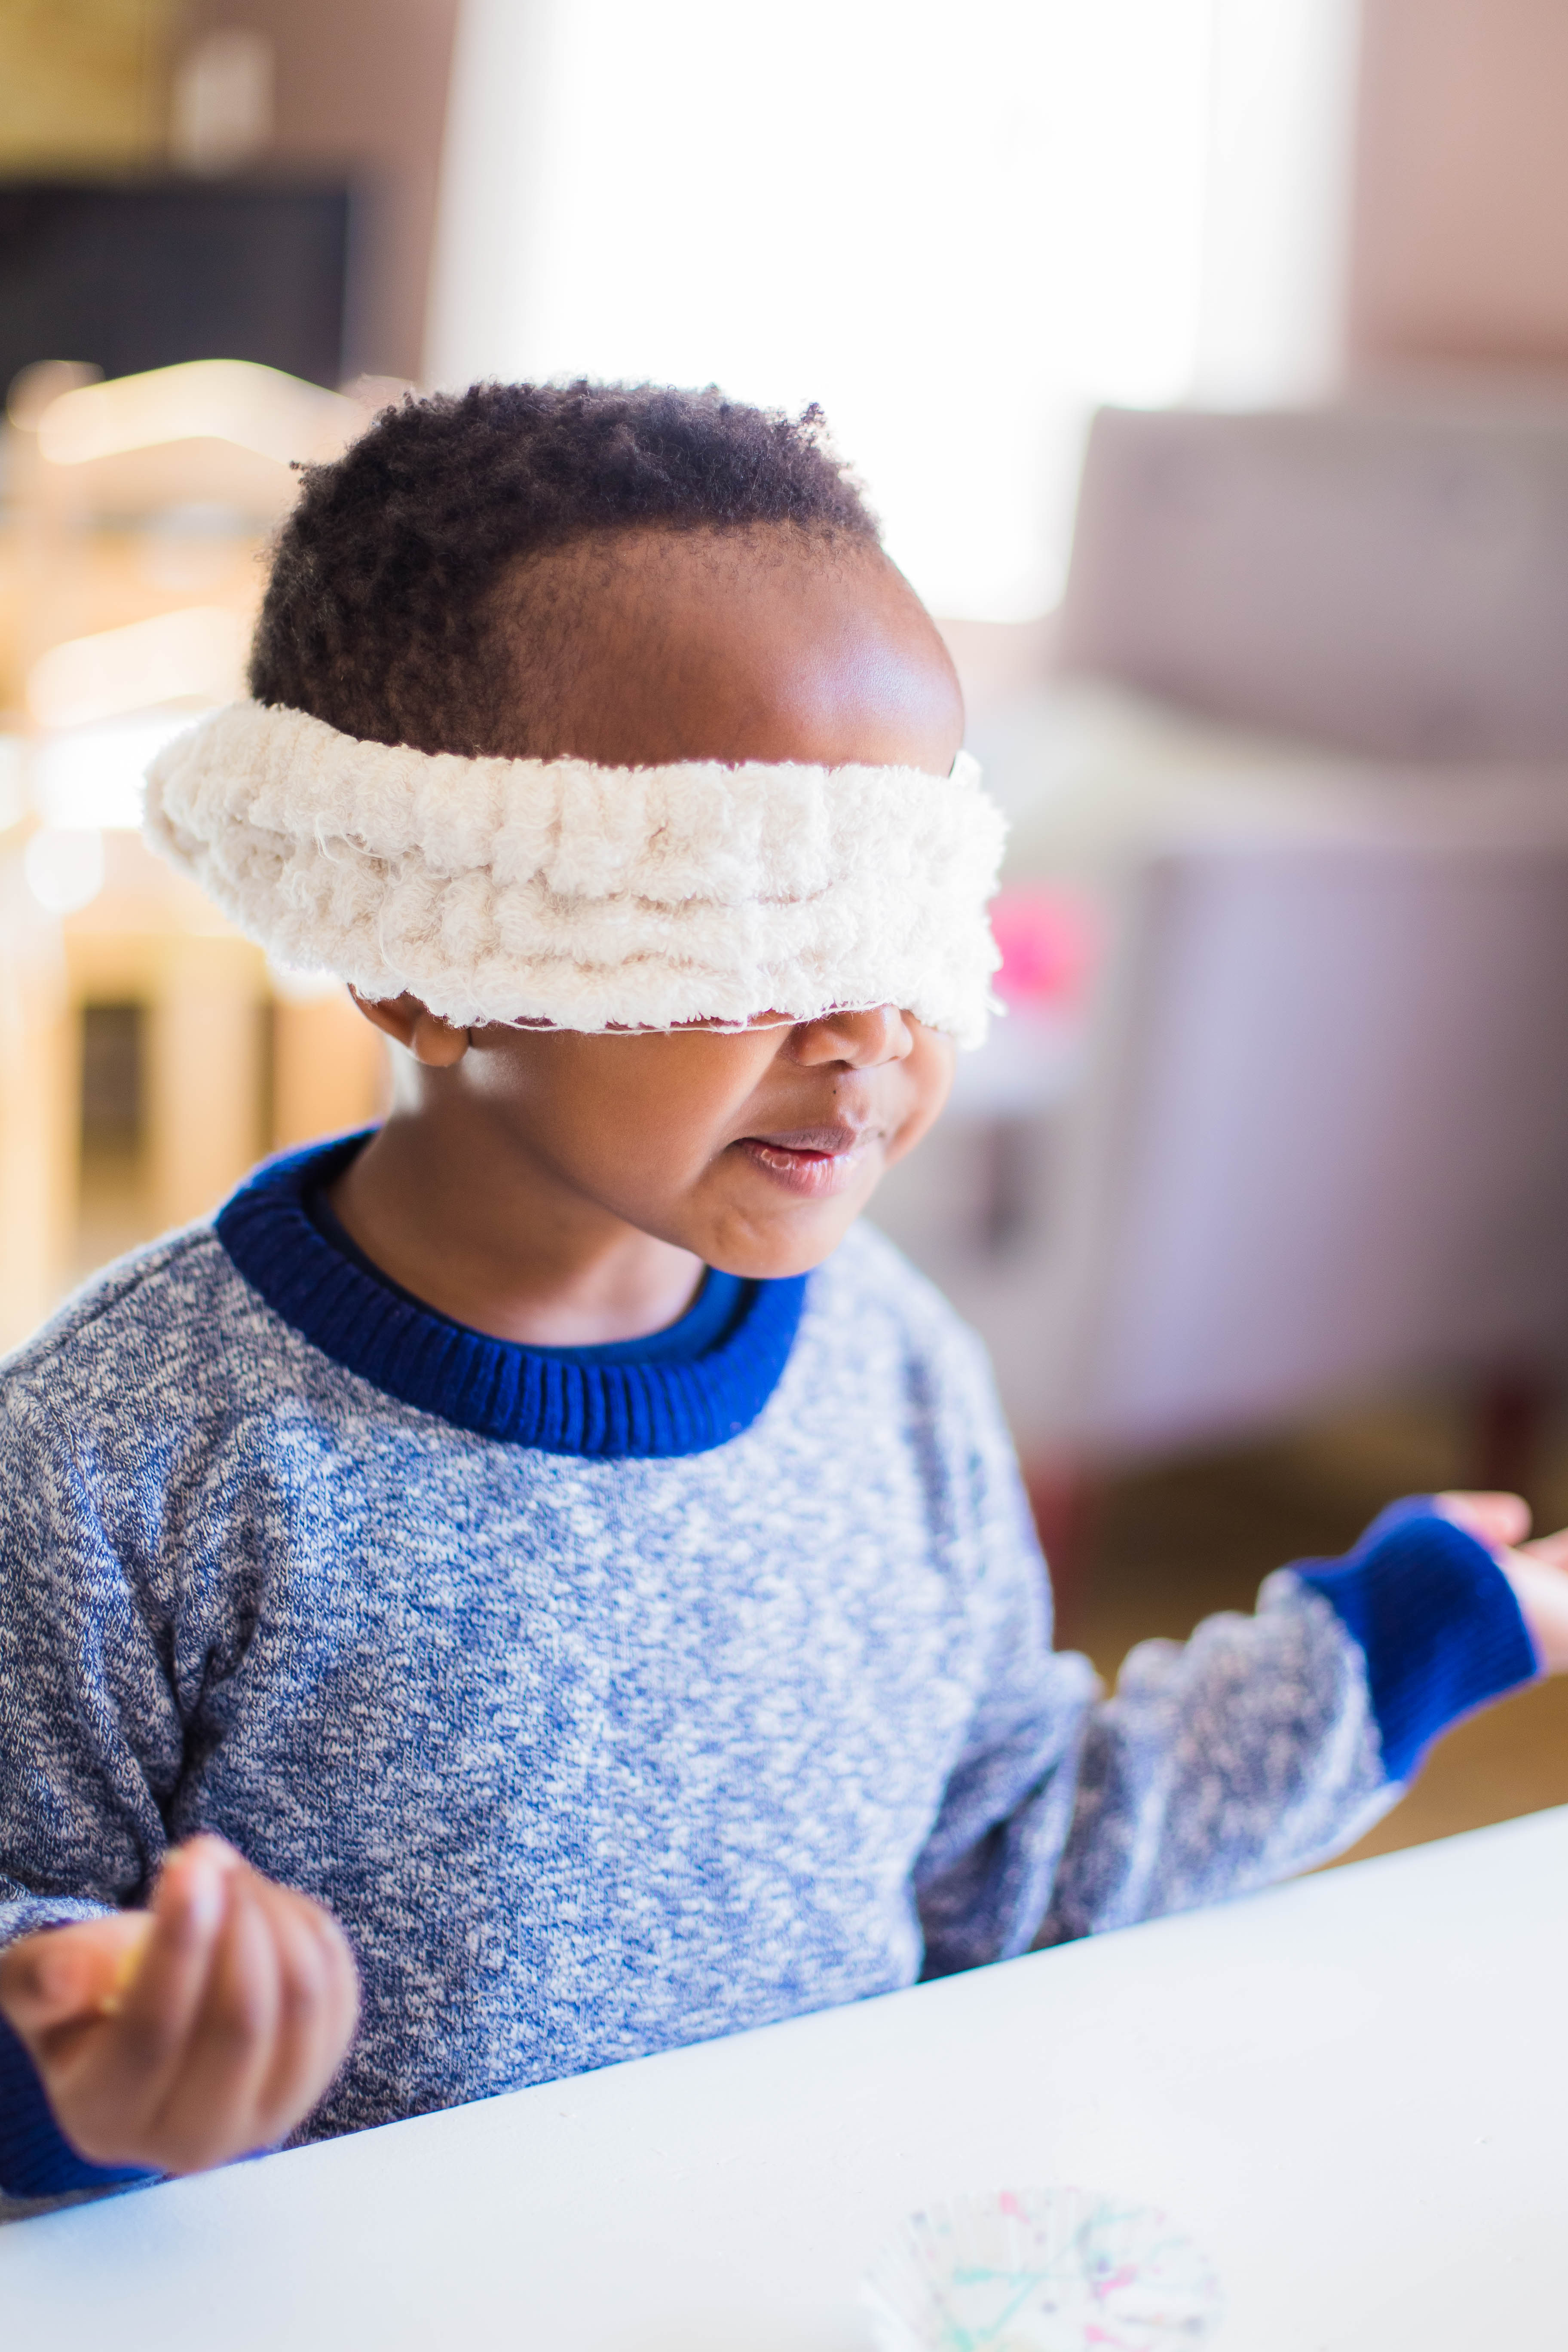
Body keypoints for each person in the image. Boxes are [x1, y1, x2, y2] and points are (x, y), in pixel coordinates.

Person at [2, 383, 1565, 2203]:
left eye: (906, 913)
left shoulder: (889, 1363)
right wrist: (86, 2079)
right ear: (418, 944)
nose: (872, 1027)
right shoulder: (114, 1462)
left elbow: (1004, 1855)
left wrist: (1394, 1647)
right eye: (754, 919)